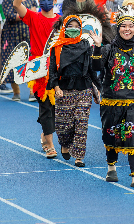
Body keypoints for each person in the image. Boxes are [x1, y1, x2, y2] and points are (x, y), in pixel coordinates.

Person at [91, 4, 134, 188]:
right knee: (111, 134)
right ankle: (111, 167)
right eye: (123, 26)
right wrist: (97, 48)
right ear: (117, 28)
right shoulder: (107, 50)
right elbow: (96, 68)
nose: (127, 29)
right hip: (112, 100)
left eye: (131, 26)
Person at [12, 0, 61, 158]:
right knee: (45, 108)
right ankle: (48, 142)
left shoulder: (62, 20)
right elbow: (17, 4)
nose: (46, 1)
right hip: (39, 69)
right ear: (38, 0)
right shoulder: (32, 17)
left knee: (60, 109)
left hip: (59, 69)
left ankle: (46, 135)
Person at [49, 13, 100, 167]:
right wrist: (56, 87)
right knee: (64, 125)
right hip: (64, 90)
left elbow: (92, 69)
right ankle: (65, 143)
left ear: (81, 29)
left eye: (77, 27)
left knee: (81, 122)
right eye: (70, 27)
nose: (73, 29)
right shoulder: (57, 47)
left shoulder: (85, 46)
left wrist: (97, 89)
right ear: (64, 28)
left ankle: (79, 156)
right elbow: (52, 71)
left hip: (84, 88)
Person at [1, 0, 37, 101]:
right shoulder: (7, 0)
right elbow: (9, 16)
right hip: (12, 36)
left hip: (29, 35)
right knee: (13, 63)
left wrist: (24, 13)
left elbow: (36, 15)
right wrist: (28, 13)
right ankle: (16, 92)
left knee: (31, 63)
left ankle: (33, 91)